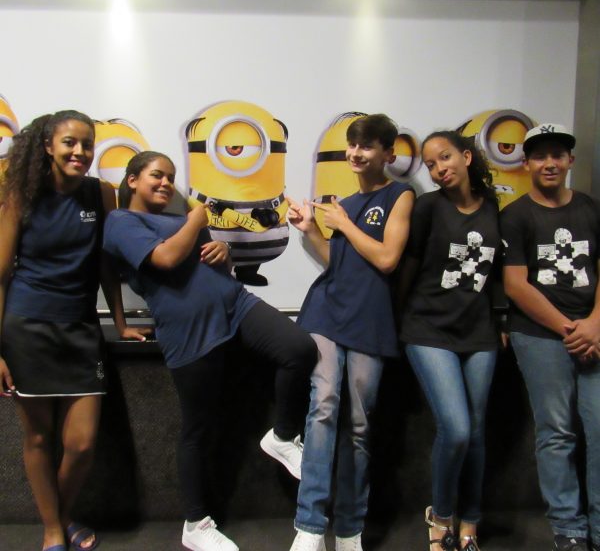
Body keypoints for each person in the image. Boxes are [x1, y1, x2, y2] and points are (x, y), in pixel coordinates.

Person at [103, 151, 317, 551]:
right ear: (132, 180)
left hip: (235, 304)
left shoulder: (182, 219)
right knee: (199, 428)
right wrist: (196, 220)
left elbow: (212, 262)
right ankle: (196, 523)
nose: (166, 183)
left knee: (299, 348)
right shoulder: (121, 221)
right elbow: (166, 258)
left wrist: (224, 252)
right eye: (156, 175)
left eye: (170, 177)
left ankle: (284, 436)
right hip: (189, 329)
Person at [0, 110, 148, 551]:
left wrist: (120, 322)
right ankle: (52, 529)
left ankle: (61, 517)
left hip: (82, 329)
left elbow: (107, 265)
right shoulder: (20, 194)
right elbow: (0, 276)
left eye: (87, 144)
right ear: (48, 146)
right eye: (70, 143)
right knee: (39, 437)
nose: (80, 152)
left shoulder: (101, 193)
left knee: (81, 445)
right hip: (27, 330)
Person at [286, 113, 414, 551]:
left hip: (370, 318)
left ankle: (348, 529)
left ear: (388, 154)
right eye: (353, 145)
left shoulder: (400, 195)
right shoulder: (344, 204)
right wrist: (311, 231)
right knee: (323, 405)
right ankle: (309, 526)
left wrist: (343, 225)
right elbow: (336, 261)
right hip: (326, 310)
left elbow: (387, 259)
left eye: (367, 145)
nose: (356, 153)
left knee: (359, 424)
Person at [397, 131, 501, 551]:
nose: (439, 169)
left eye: (445, 158)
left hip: (479, 332)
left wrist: (502, 320)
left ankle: (470, 522)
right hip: (428, 328)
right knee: (456, 429)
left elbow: (499, 273)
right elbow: (408, 267)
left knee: (476, 432)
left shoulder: (493, 208)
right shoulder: (427, 208)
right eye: (431, 165)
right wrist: (395, 320)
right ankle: (440, 517)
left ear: (467, 156)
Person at [501, 123, 600, 551]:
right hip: (540, 335)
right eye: (540, 156)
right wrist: (570, 329)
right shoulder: (516, 216)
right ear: (526, 164)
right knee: (557, 431)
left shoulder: (591, 209)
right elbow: (515, 284)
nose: (549, 163)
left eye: (557, 155)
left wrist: (595, 323)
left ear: (570, 161)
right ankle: (569, 529)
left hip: (594, 331)